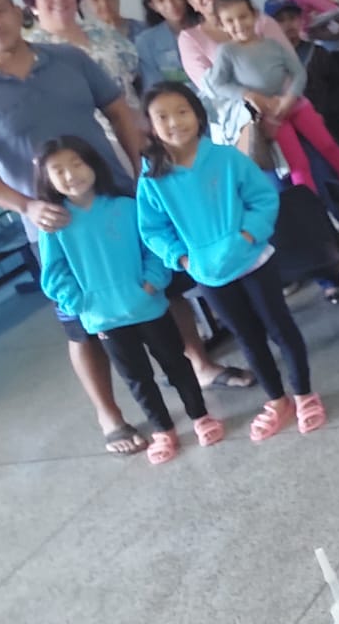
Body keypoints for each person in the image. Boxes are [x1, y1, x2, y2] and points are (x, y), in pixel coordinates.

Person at [0, 0, 251, 457]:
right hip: (54, 225)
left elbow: (120, 113)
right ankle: (110, 416)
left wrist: (143, 175)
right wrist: (26, 205)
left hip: (120, 203)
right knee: (82, 324)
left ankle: (200, 365)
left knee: (165, 287)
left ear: (17, 12)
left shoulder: (67, 58)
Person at [137, 81, 327, 442]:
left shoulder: (226, 158)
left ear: (197, 115)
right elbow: (153, 230)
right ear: (151, 126)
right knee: (247, 338)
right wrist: (182, 257)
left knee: (280, 327)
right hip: (209, 274)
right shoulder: (152, 178)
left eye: (181, 111)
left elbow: (263, 199)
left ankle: (304, 394)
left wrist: (248, 236)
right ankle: (277, 400)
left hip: (254, 261)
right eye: (162, 116)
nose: (174, 122)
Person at [35, 135, 219, 464]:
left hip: (149, 307)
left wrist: (153, 281)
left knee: (176, 363)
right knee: (137, 379)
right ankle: (163, 430)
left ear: (93, 165)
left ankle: (200, 416)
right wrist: (79, 302)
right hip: (104, 319)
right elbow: (54, 273)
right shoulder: (54, 226)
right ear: (47, 180)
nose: (70, 175)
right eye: (58, 170)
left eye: (77, 164)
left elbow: (151, 246)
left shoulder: (127, 207)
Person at [210, 0, 339, 193]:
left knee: (329, 147)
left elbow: (298, 72)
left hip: (295, 104)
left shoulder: (273, 44)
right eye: (230, 21)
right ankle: (311, 206)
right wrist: (249, 95)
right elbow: (217, 84)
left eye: (243, 16)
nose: (238, 24)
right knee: (298, 163)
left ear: (254, 15)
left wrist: (290, 97)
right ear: (221, 25)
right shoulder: (227, 52)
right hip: (270, 115)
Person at [265, 0, 339, 178]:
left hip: (326, 126)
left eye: (292, 18)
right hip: (290, 131)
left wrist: (326, 112)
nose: (288, 25)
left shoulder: (317, 53)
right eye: (280, 20)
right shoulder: (268, 61)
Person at [178, 0, 293, 148]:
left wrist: (281, 107)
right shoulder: (189, 39)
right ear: (191, 3)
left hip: (289, 110)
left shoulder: (262, 23)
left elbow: (289, 67)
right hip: (240, 128)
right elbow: (213, 87)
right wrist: (253, 98)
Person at [20, 0, 140, 109]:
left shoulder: (100, 29)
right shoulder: (32, 50)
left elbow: (135, 71)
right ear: (33, 6)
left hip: (133, 117)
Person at [135, 0, 200, 91]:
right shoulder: (146, 41)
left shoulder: (206, 25)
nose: (171, 4)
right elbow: (154, 87)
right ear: (152, 6)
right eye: (161, 0)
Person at [79, 0, 145, 42]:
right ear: (84, 4)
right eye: (95, 0)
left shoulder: (143, 30)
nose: (104, 4)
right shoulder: (85, 39)